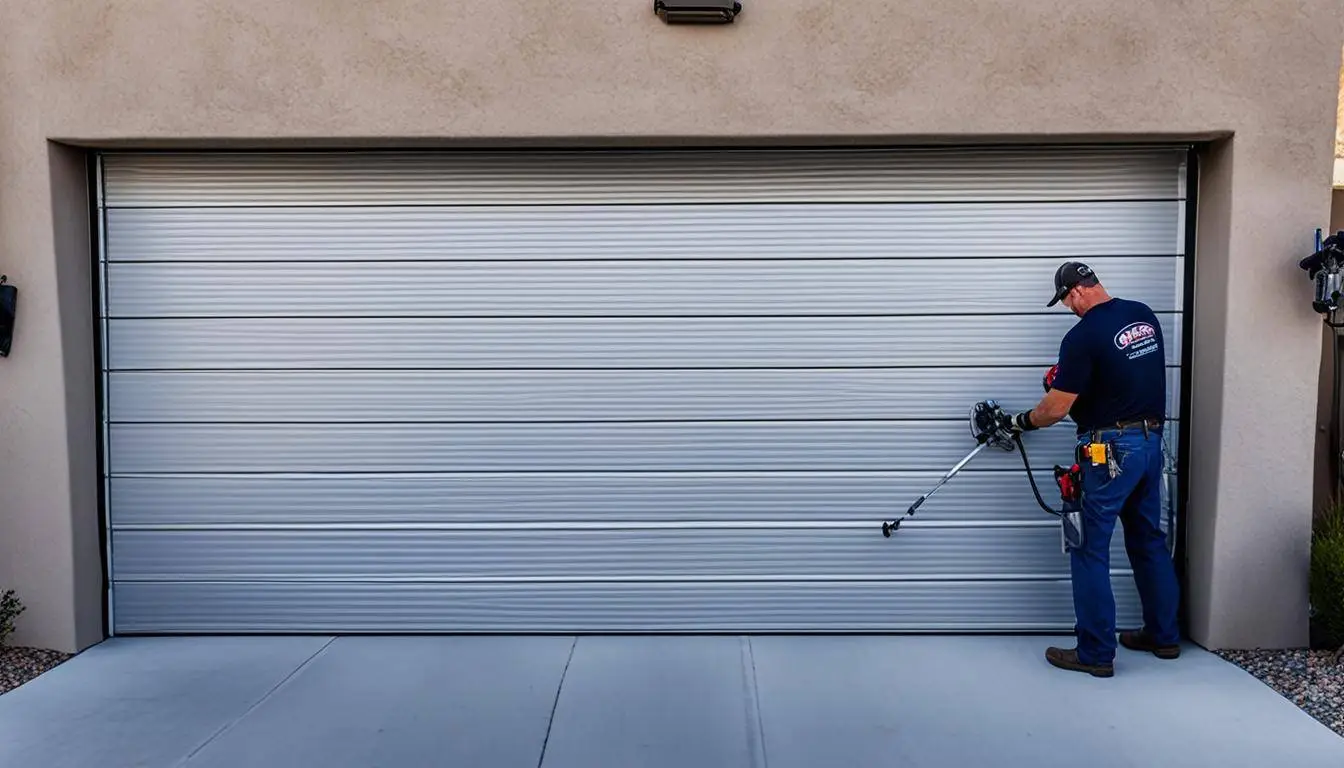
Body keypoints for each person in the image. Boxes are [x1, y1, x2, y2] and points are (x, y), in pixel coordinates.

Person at [1003, 261, 1182, 677]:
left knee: (1088, 548)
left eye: (1065, 300)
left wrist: (1024, 420)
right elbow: (1123, 379)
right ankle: (1163, 635)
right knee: (1148, 539)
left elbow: (1055, 410)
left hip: (1109, 452)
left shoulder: (1082, 336)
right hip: (1151, 443)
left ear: (1076, 290)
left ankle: (1095, 653)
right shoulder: (1142, 314)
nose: (1068, 307)